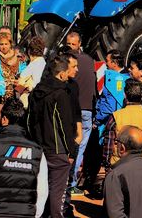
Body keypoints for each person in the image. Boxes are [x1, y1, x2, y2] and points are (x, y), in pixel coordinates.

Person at [27, 53, 79, 218]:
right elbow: (64, 126)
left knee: (40, 191)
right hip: (58, 151)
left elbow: (29, 120)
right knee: (58, 194)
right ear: (62, 73)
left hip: (38, 148)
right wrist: (71, 150)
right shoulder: (61, 94)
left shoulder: (36, 92)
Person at [64, 32, 96, 193]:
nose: (70, 47)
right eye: (68, 44)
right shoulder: (89, 61)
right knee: (80, 147)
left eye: (72, 45)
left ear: (78, 44)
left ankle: (66, 181)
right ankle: (71, 183)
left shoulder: (63, 62)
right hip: (86, 110)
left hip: (72, 110)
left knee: (67, 146)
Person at [102, 79, 142, 167]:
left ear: (125, 95)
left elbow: (109, 142)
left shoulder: (116, 116)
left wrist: (107, 163)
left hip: (119, 163)